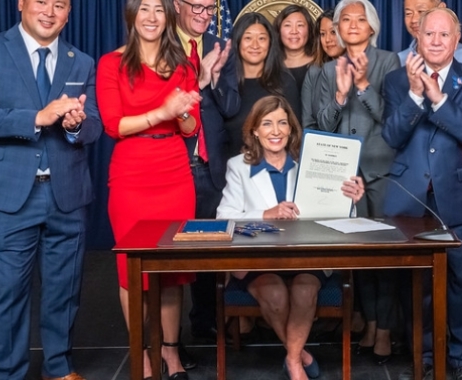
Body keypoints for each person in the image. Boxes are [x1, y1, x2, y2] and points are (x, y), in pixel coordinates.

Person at [0, 0, 101, 378]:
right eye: (42, 1)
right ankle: (10, 373)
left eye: (60, 5)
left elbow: (95, 127)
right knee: (10, 292)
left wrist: (74, 125)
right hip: (8, 197)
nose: (50, 11)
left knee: (64, 290)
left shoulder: (81, 60)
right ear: (21, 4)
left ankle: (59, 367)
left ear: (69, 13)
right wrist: (38, 117)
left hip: (66, 195)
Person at [216, 95, 365, 380]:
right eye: (267, 123)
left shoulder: (310, 164)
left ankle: (293, 361)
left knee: (304, 291)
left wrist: (351, 199)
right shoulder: (238, 166)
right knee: (274, 294)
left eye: (283, 123)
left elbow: (338, 214)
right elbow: (224, 217)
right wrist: (266, 213)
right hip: (259, 259)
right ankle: (300, 356)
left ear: (291, 129)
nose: (276, 131)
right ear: (255, 131)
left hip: (307, 255)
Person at [384, 8, 462, 380]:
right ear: (418, 36)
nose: (435, 41)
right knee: (419, 286)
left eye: (444, 35)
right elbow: (392, 137)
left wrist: (440, 100)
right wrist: (416, 96)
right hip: (410, 199)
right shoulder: (397, 81)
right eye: (429, 34)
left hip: (461, 196)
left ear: (456, 39)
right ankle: (426, 353)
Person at [96, 0, 201, 379]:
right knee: (132, 270)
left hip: (174, 172)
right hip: (131, 174)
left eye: (159, 9)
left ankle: (171, 352)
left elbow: (190, 129)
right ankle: (141, 352)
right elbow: (113, 125)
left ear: (169, 16)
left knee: (171, 270)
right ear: (132, 16)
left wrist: (185, 110)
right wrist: (164, 111)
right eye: (144, 9)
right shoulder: (112, 63)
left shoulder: (184, 64)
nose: (152, 17)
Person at [315, 0, 401, 364]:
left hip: (380, 171)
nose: (351, 25)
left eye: (359, 19)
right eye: (344, 19)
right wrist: (338, 94)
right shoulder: (326, 69)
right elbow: (322, 123)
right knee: (358, 255)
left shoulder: (389, 62)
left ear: (372, 28)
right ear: (335, 28)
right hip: (343, 176)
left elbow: (394, 121)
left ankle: (384, 330)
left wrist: (363, 85)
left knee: (384, 255)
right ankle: (368, 322)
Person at [173, 0, 241, 351]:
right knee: (167, 254)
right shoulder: (161, 41)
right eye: (196, 6)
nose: (203, 14)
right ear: (176, 4)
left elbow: (231, 107)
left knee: (209, 249)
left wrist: (213, 80)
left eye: (209, 8)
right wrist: (197, 82)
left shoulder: (219, 46)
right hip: (170, 166)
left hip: (209, 167)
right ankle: (167, 340)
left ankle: (204, 323)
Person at [226, 12, 302, 156]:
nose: (255, 45)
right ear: (237, 41)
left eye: (262, 38)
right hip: (230, 172)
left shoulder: (284, 82)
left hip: (275, 172)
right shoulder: (224, 84)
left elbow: (295, 135)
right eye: (248, 38)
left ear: (270, 43)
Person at [399, 0, 462, 72]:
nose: (414, 19)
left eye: (421, 11)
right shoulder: (399, 59)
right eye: (408, 13)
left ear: (441, 8)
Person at [301, 9, 345, 130]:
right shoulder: (314, 71)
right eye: (322, 34)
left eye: (333, 32)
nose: (327, 40)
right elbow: (308, 122)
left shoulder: (360, 69)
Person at [274, 5, 317, 91]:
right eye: (287, 25)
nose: (294, 31)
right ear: (279, 30)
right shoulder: (270, 67)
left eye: (300, 25)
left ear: (309, 30)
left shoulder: (320, 65)